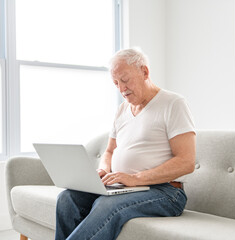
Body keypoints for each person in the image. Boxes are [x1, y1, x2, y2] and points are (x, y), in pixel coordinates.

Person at [55, 48, 196, 240]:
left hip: (166, 192)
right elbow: (109, 151)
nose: (121, 89)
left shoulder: (173, 103)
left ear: (144, 72)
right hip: (124, 187)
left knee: (106, 205)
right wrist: (104, 169)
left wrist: (137, 178)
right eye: (116, 83)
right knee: (67, 198)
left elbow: (186, 161)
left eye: (125, 79)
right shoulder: (122, 110)